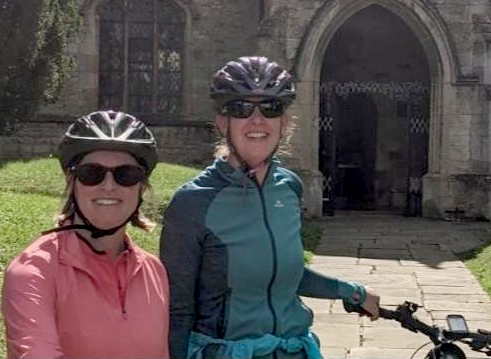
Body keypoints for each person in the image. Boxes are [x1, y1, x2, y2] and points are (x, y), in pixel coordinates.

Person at [160, 56, 380, 359]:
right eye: (241, 108)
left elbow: (284, 274)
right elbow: (177, 310)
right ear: (223, 122)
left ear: (284, 122)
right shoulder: (193, 202)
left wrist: (352, 292)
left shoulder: (289, 188)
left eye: (271, 108)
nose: (257, 120)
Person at [1, 110, 169, 359]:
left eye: (126, 175)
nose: (109, 186)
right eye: (92, 174)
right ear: (72, 182)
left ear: (141, 186)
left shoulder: (154, 271)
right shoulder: (34, 271)